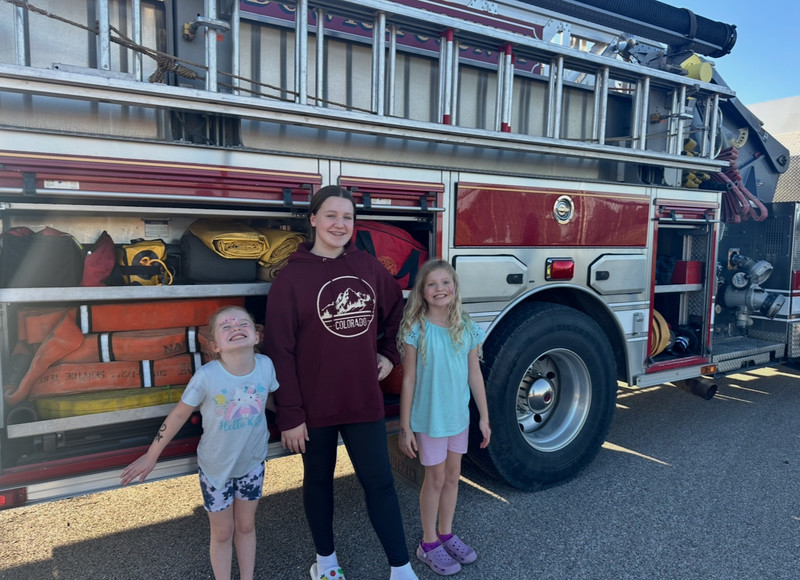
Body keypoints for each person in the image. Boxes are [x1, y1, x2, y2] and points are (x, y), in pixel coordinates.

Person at [263, 185, 418, 580]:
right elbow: (279, 351)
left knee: (380, 483)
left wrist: (389, 354)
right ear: (313, 219)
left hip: (362, 399)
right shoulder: (291, 279)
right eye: (331, 215)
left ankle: (401, 568)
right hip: (314, 407)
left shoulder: (367, 267)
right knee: (319, 484)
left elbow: (397, 311)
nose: (339, 224)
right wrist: (290, 415)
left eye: (347, 217)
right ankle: (327, 563)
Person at [120, 306, 279, 580]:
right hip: (215, 470)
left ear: (256, 336)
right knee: (222, 532)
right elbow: (179, 414)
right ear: (215, 346)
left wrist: (302, 421)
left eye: (243, 323)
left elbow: (274, 402)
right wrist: (151, 455)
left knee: (245, 526)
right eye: (226, 326)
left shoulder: (266, 366)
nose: (235, 327)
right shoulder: (207, 376)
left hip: (252, 465)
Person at [397, 259, 491, 576]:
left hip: (458, 419)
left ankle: (446, 533)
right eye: (432, 284)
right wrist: (405, 426)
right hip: (430, 421)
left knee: (453, 476)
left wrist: (484, 418)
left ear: (455, 287)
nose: (440, 289)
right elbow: (409, 379)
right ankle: (427, 543)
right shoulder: (416, 329)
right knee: (435, 479)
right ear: (422, 292)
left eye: (445, 282)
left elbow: (474, 374)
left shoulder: (466, 326)